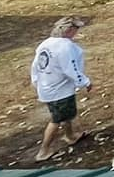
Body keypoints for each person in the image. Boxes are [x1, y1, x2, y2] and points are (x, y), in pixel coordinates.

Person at [31, 17, 90, 161]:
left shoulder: (45, 44)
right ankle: (43, 151)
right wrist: (85, 82)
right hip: (59, 89)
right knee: (56, 119)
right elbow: (70, 68)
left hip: (47, 87)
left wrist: (36, 81)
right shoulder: (65, 46)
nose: (77, 32)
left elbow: (35, 66)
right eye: (76, 29)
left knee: (66, 113)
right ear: (69, 30)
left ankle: (70, 136)